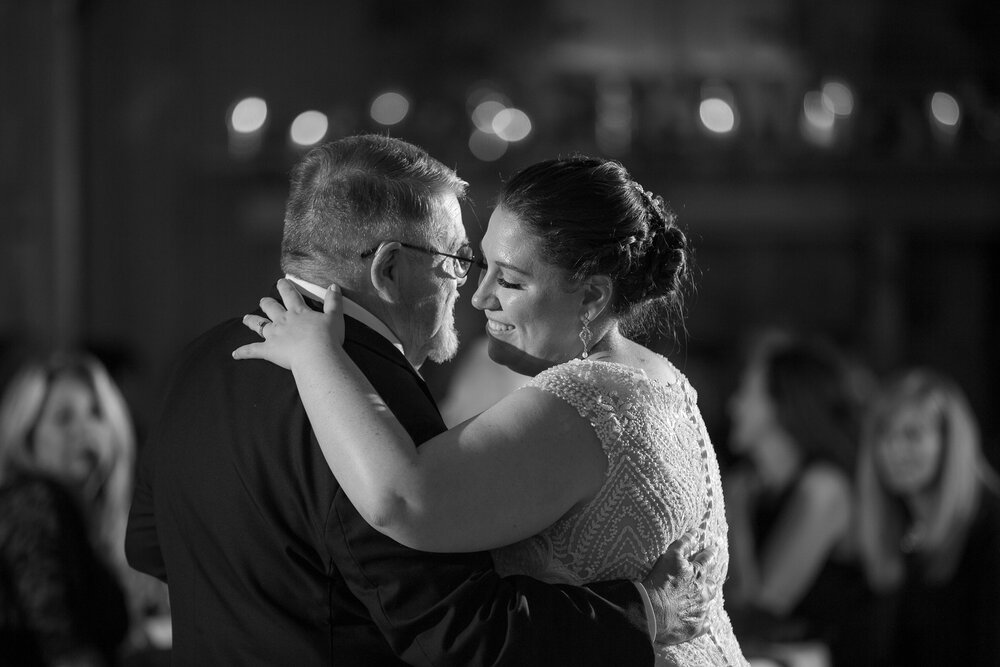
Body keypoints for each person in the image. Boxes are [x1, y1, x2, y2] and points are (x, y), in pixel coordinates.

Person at [126, 135, 716, 666]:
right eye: (459, 263)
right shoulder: (365, 395)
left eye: (499, 275)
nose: (471, 293)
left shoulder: (204, 357)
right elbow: (461, 633)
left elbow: (151, 547)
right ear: (389, 271)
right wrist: (644, 614)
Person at [722, 333, 873, 664]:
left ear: (779, 406)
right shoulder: (760, 488)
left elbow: (761, 609)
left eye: (746, 392)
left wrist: (733, 509)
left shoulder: (823, 487)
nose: (734, 405)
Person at [856, 369, 1000, 666]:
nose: (893, 449)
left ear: (951, 443)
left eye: (912, 434)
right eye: (884, 433)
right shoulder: (900, 529)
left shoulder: (990, 531)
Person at [0, 353, 132, 666]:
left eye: (96, 413)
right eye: (64, 418)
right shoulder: (31, 501)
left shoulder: (77, 515)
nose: (85, 430)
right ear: (28, 437)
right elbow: (61, 645)